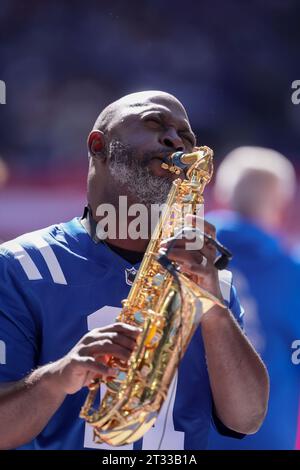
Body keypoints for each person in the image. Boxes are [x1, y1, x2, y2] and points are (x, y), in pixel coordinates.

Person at [0, 91, 269, 450]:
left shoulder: (215, 280)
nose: (175, 139)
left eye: (186, 135)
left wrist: (215, 312)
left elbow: (247, 418)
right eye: (155, 123)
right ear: (99, 145)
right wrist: (57, 378)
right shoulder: (19, 266)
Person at [207, 146, 300, 450]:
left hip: (192, 436)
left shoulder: (181, 256)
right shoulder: (292, 271)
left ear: (224, 194)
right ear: (279, 201)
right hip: (268, 435)